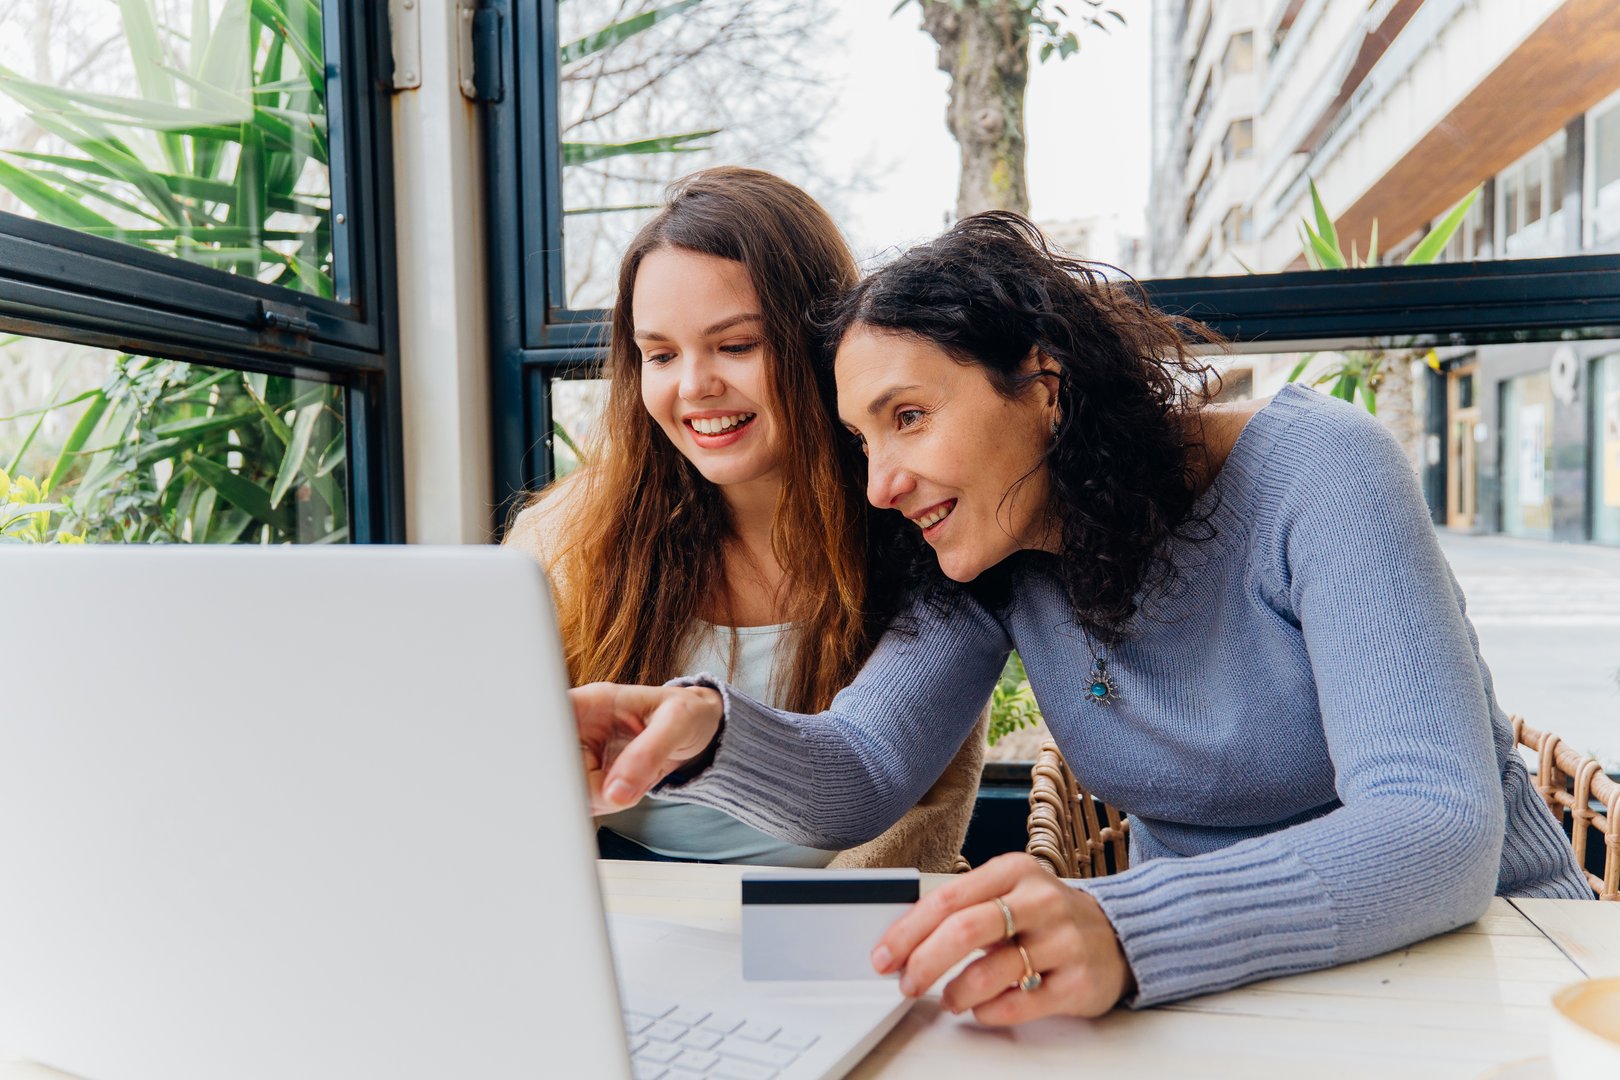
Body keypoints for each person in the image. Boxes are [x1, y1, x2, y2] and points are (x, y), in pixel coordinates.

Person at [570, 211, 1590, 1019]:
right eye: (861, 440)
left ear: (1044, 387)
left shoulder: (1320, 470)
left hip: (1500, 972)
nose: (879, 484)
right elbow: (863, 771)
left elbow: (1435, 828)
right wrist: (702, 732)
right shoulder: (994, 550)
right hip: (1229, 994)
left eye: (909, 417)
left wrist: (1126, 930)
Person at [505, 167, 984, 871]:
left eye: (736, 346)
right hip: (622, 909)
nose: (694, 386)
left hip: (853, 923)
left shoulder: (918, 520)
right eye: (660, 355)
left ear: (824, 344)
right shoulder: (564, 540)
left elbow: (900, 794)